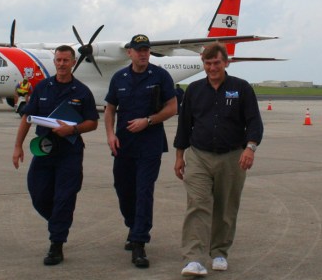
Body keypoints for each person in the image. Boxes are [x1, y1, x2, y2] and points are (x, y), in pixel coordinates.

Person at [173, 42, 263, 277]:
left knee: (225, 207)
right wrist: (179, 156)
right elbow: (184, 125)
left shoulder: (241, 88)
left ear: (226, 63)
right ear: (203, 64)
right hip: (199, 156)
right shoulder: (193, 90)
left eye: (217, 63)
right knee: (197, 204)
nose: (212, 67)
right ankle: (193, 258)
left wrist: (250, 148)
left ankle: (219, 251)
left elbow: (254, 121)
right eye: (208, 63)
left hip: (232, 156)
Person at [12, 45, 99, 266]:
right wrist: (17, 146)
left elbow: (92, 122)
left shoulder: (81, 91)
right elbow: (27, 117)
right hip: (44, 150)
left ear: (73, 62)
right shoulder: (42, 87)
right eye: (58, 60)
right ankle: (59, 222)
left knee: (64, 198)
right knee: (38, 193)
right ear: (54, 61)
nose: (61, 64)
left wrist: (73, 129)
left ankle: (56, 244)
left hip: (70, 152)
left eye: (66, 60)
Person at [104, 34, 177, 268]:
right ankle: (133, 225)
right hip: (123, 144)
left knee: (144, 191)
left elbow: (172, 107)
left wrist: (148, 120)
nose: (143, 53)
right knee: (124, 189)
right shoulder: (119, 77)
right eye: (138, 50)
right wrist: (110, 134)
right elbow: (110, 108)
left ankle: (139, 243)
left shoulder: (160, 76)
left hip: (150, 144)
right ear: (130, 53)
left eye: (146, 49)